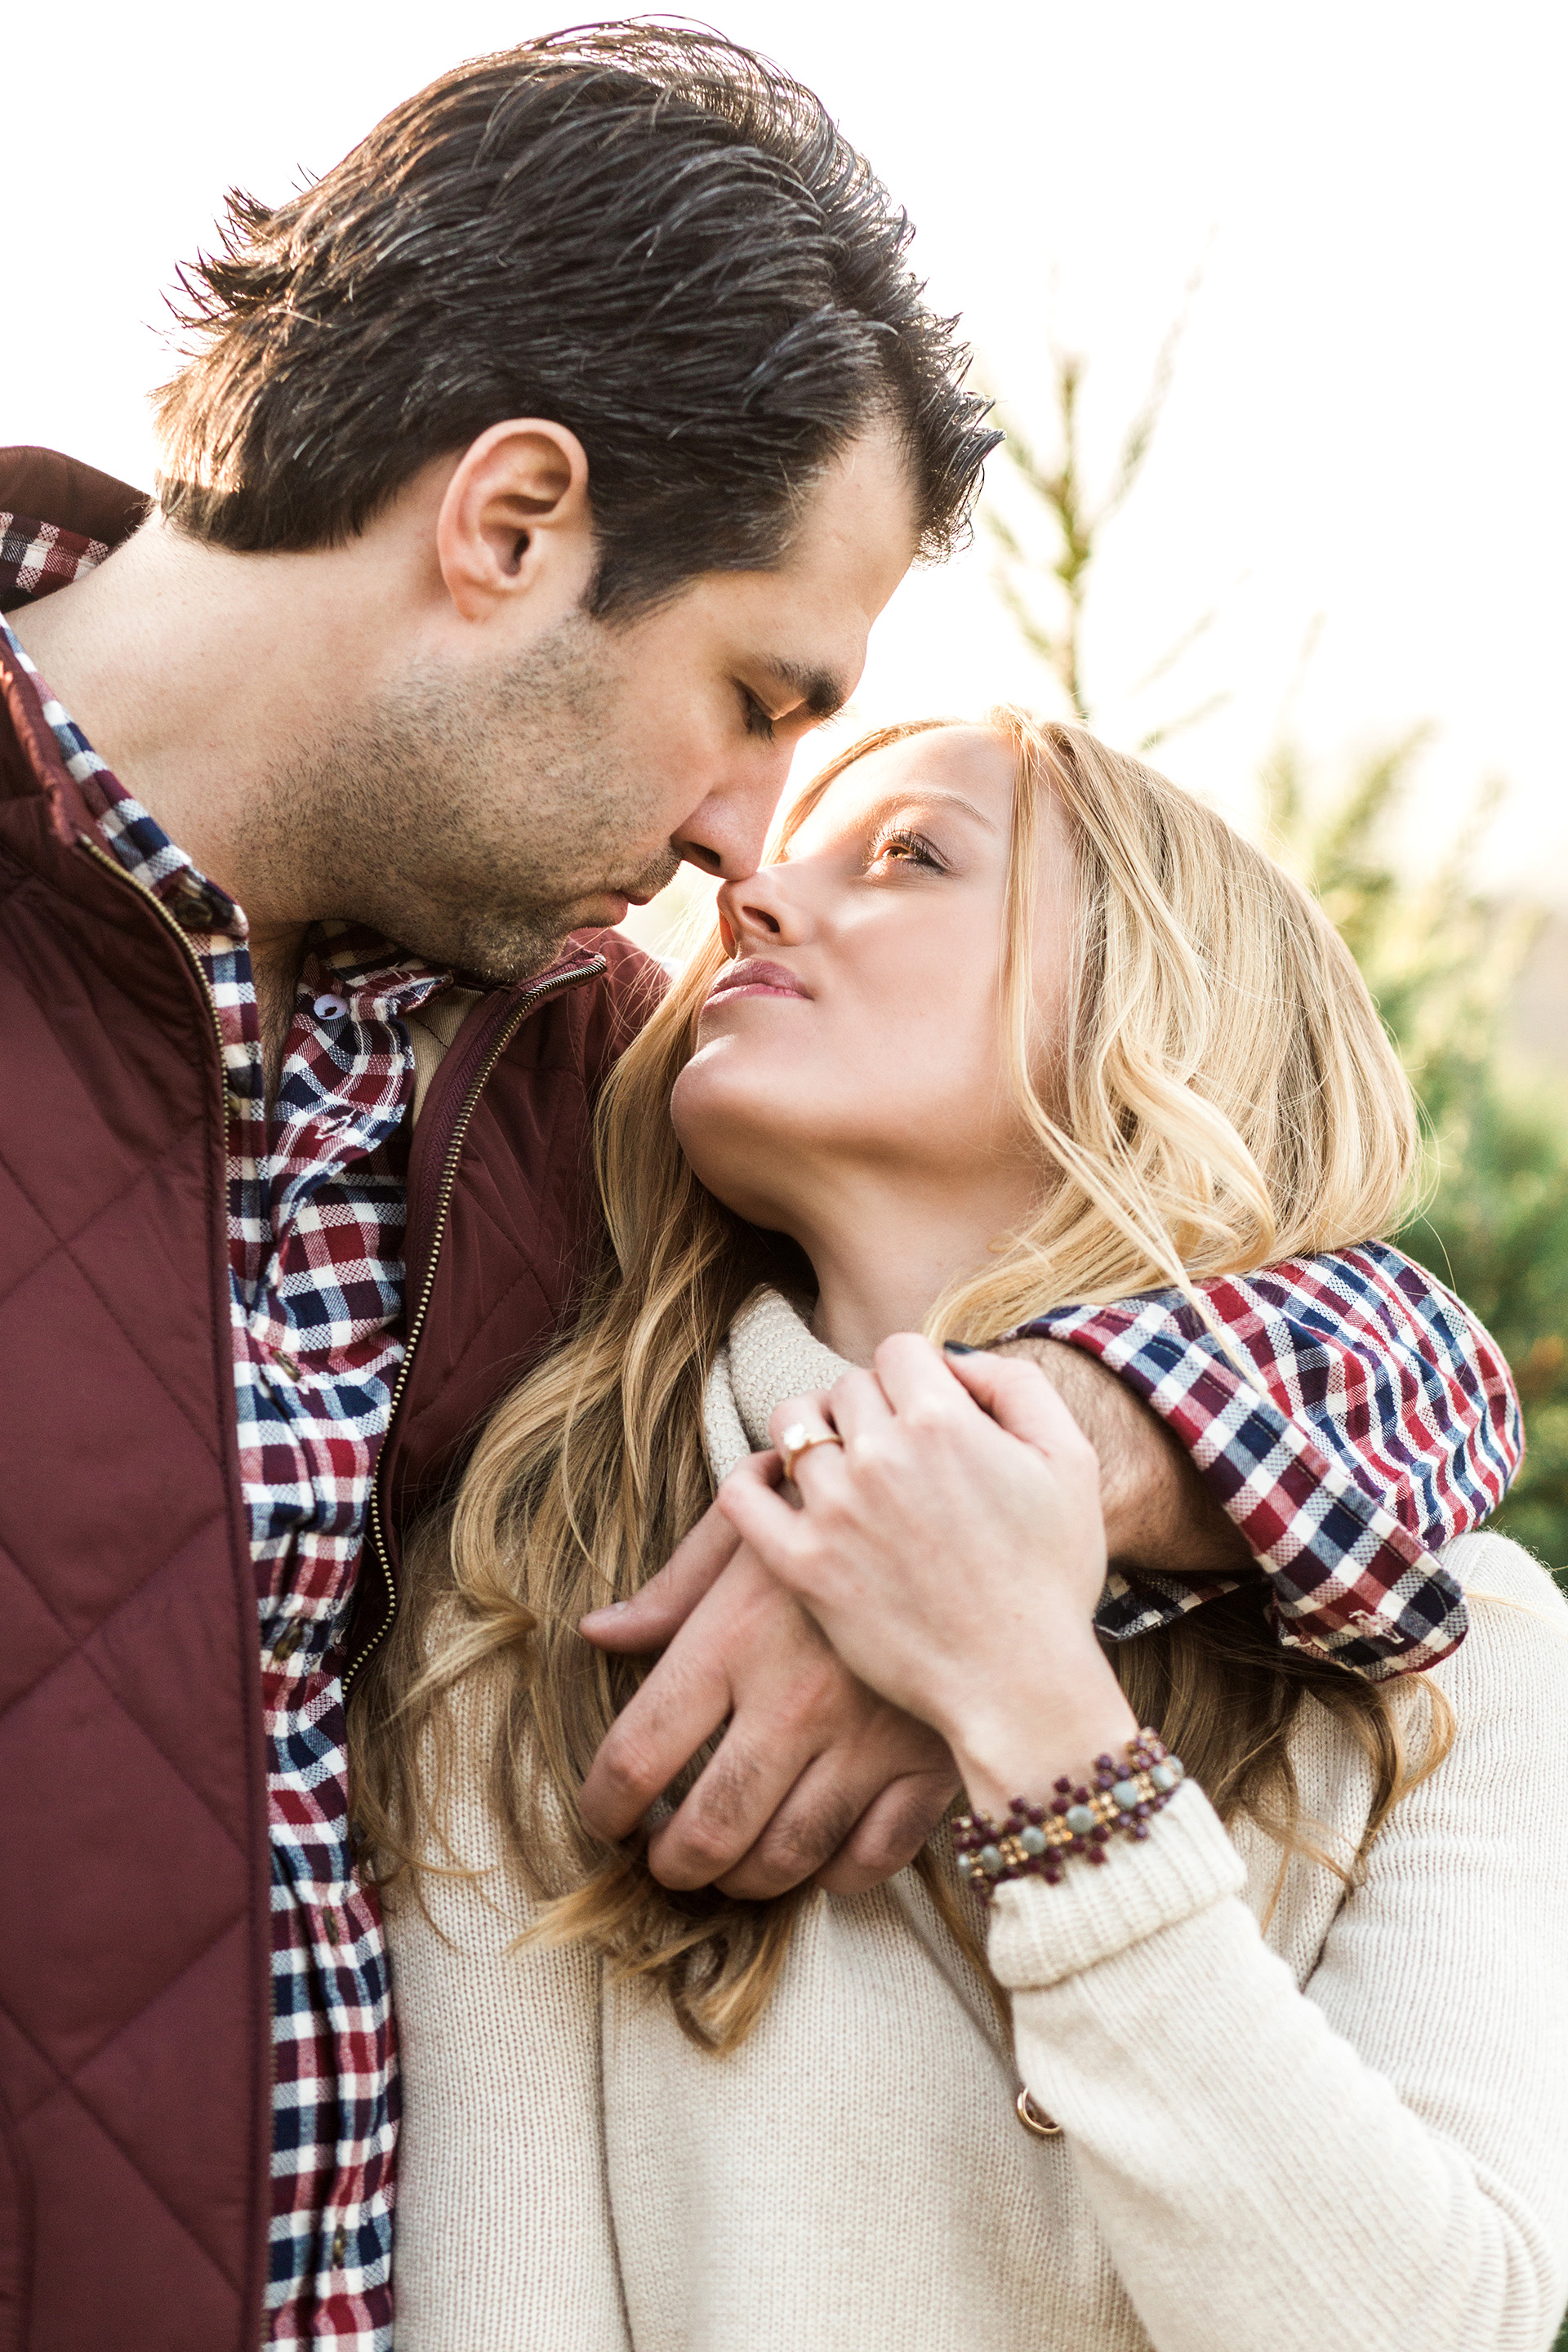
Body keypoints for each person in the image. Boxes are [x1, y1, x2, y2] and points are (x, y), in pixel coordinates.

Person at [0, 27, 1521, 2352]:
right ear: (510, 525)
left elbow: (1396, 1346)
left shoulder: (559, 1076)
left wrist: (1027, 1488)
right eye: (760, 694)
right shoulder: (592, 1204)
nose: (746, 849)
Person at [359, 713, 1566, 2352]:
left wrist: (1042, 1734)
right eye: (793, 853)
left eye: (912, 855)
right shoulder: (535, 1570)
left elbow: (1443, 2322)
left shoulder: (1458, 1649)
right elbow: (493, 2313)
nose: (755, 891)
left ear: (1161, 1011)